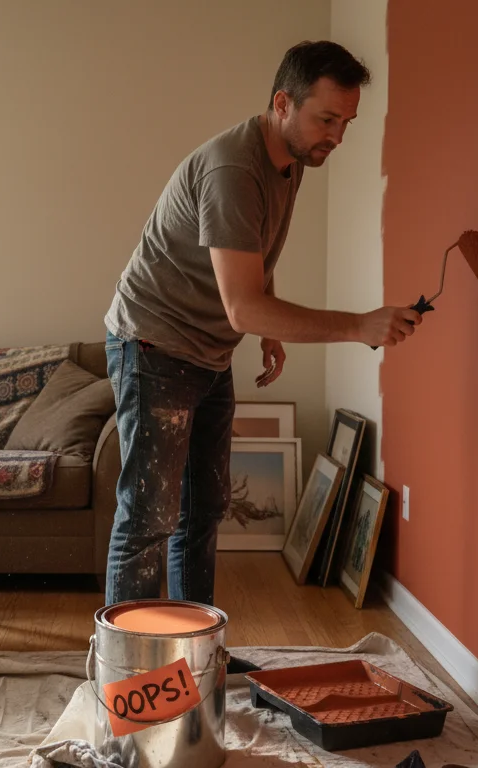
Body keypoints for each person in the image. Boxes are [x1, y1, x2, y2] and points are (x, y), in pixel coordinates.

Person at [102, 40, 422, 610]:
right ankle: (125, 680)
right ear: (283, 102)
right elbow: (242, 308)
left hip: (207, 352)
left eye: (346, 122)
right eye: (327, 119)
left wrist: (270, 325)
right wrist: (357, 326)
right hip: (153, 344)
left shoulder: (291, 161)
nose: (337, 137)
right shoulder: (233, 168)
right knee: (150, 518)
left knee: (202, 513)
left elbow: (252, 259)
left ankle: (194, 655)